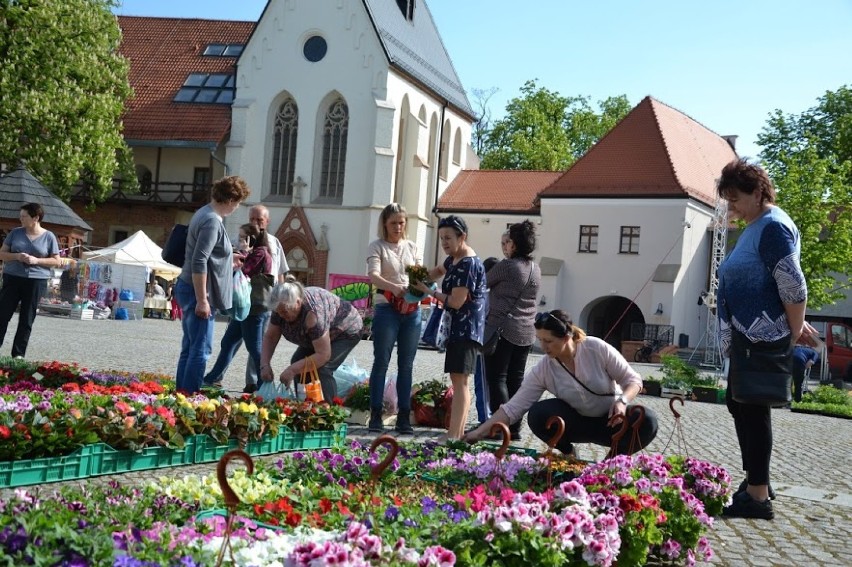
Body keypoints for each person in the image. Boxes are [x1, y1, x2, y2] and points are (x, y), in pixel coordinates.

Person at [716, 158, 817, 520]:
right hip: (748, 334)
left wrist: (794, 328)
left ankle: (757, 497)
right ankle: (756, 480)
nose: (732, 207)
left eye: (735, 199)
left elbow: (792, 284)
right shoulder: (757, 225)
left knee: (752, 409)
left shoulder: (773, 227)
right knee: (738, 402)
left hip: (762, 334)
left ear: (758, 192)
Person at [464, 310, 659, 456]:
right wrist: (478, 433)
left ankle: (612, 462)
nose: (543, 346)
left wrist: (622, 401)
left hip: (612, 421)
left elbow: (633, 380)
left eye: (548, 341)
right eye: (540, 340)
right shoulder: (544, 368)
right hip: (577, 423)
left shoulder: (595, 348)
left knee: (647, 420)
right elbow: (513, 408)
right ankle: (568, 453)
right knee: (538, 415)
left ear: (566, 337)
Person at [174, 175, 251, 394]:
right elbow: (199, 260)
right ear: (230, 200)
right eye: (238, 203)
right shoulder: (212, 221)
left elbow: (207, 255)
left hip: (189, 285)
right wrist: (202, 300)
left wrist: (229, 260)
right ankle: (189, 397)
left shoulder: (203, 213)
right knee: (201, 349)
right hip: (197, 289)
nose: (237, 208)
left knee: (189, 347)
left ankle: (182, 393)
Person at [416, 215, 487, 440]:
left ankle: (454, 435)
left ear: (462, 237)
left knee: (461, 381)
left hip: (466, 330)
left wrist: (429, 292)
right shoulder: (454, 259)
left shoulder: (467, 263)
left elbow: (456, 301)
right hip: (458, 329)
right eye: (441, 238)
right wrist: (415, 278)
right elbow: (436, 271)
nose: (444, 242)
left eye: (448, 238)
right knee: (459, 380)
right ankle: (456, 433)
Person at [365, 203, 422, 434]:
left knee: (406, 365)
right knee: (381, 362)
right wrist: (394, 287)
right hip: (387, 308)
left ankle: (404, 417)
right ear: (385, 224)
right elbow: (374, 276)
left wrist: (423, 285)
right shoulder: (376, 246)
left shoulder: (412, 247)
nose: (398, 227)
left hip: (411, 310)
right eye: (393, 223)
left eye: (401, 222)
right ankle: (376, 414)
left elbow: (420, 276)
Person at [260, 276, 362, 401]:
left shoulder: (313, 314)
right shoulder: (280, 307)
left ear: (298, 302)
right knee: (298, 361)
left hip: (346, 329)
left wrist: (292, 370)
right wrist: (264, 365)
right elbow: (270, 337)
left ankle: (329, 412)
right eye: (278, 312)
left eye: (285, 312)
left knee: (322, 368)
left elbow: (323, 355)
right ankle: (304, 407)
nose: (281, 316)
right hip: (317, 335)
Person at [483, 221, 541, 440]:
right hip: (526, 331)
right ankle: (515, 428)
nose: (505, 247)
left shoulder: (508, 266)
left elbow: (483, 281)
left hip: (503, 329)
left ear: (515, 245)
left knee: (496, 378)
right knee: (515, 381)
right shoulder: (536, 269)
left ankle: (500, 427)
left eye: (508, 242)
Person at [203, 224, 273, 393]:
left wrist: (243, 253)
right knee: (228, 342)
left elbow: (246, 271)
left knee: (255, 348)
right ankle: (212, 378)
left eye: (242, 237)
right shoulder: (257, 252)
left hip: (253, 308)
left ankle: (265, 385)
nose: (239, 240)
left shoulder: (260, 253)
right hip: (244, 307)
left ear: (251, 239)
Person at [0, 203, 62, 358]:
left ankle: (18, 355)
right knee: (2, 315)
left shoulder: (49, 237)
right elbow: (2, 254)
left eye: (24, 216)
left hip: (36, 281)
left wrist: (36, 261)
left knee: (27, 318)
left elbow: (56, 261)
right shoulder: (15, 233)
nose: (20, 219)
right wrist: (16, 256)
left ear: (35, 218)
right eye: (20, 216)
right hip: (12, 279)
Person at [244, 205, 290, 389]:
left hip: (266, 301)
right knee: (233, 340)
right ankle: (217, 376)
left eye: (259, 220)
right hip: (244, 298)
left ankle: (252, 381)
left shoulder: (274, 242)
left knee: (258, 341)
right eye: (252, 219)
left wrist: (281, 296)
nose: (255, 223)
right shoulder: (241, 238)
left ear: (267, 221)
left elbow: (280, 271)